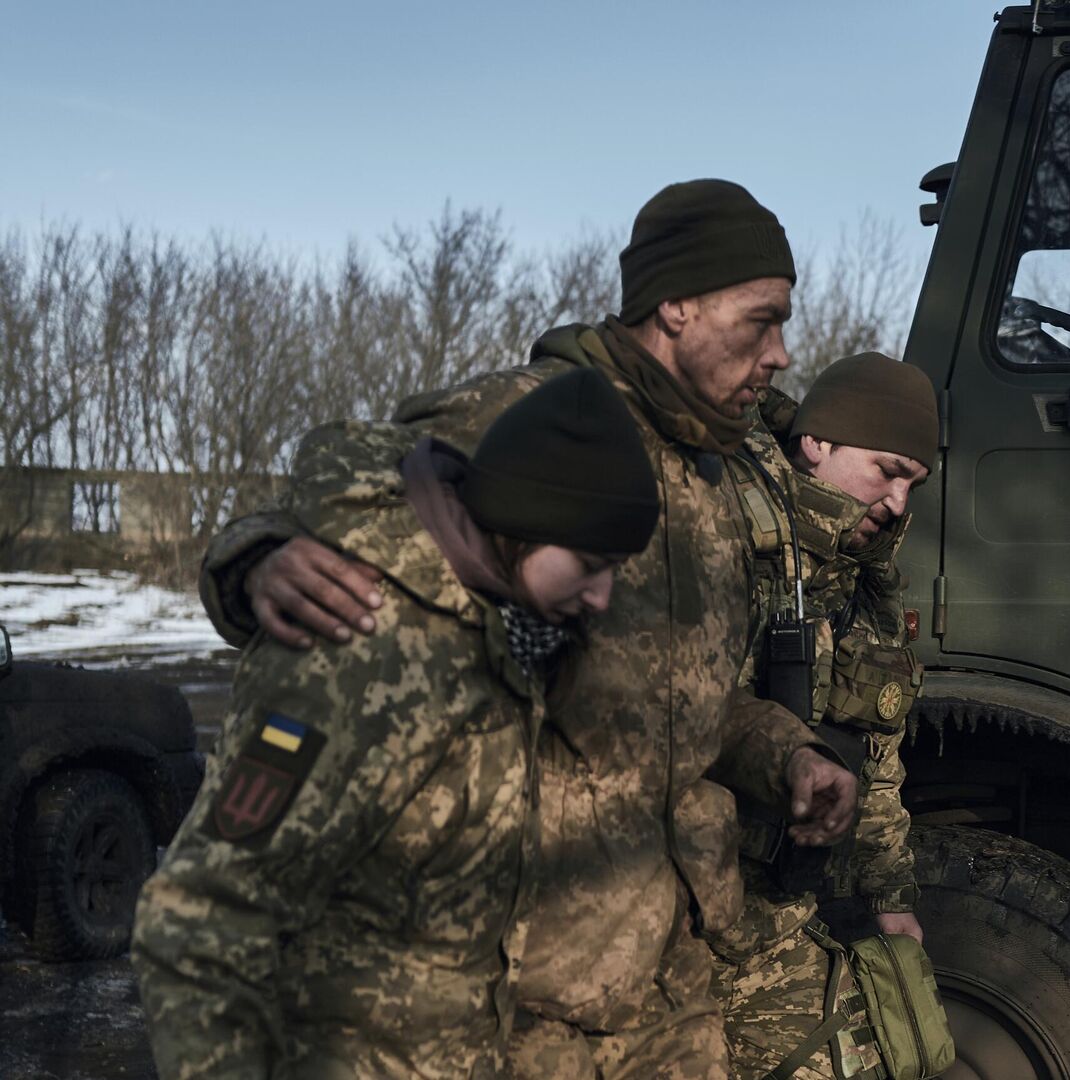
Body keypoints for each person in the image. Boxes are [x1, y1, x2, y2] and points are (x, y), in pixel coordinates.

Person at [192, 179, 858, 1079]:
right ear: (677, 304)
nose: (782, 352)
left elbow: (688, 696)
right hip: (527, 998)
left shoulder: (717, 473)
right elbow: (334, 488)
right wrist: (257, 559)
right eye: (760, 319)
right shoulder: (537, 418)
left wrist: (789, 758)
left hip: (672, 981)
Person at [133, 368, 661, 1079]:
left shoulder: (505, 633)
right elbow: (201, 920)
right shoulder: (361, 651)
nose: (602, 598)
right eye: (590, 565)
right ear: (519, 522)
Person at [712, 352, 938, 1080]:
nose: (898, 501)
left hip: (772, 913)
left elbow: (876, 765)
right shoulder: (721, 536)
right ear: (818, 443)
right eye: (886, 470)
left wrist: (890, 897)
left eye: (913, 483)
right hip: (675, 903)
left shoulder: (863, 591)